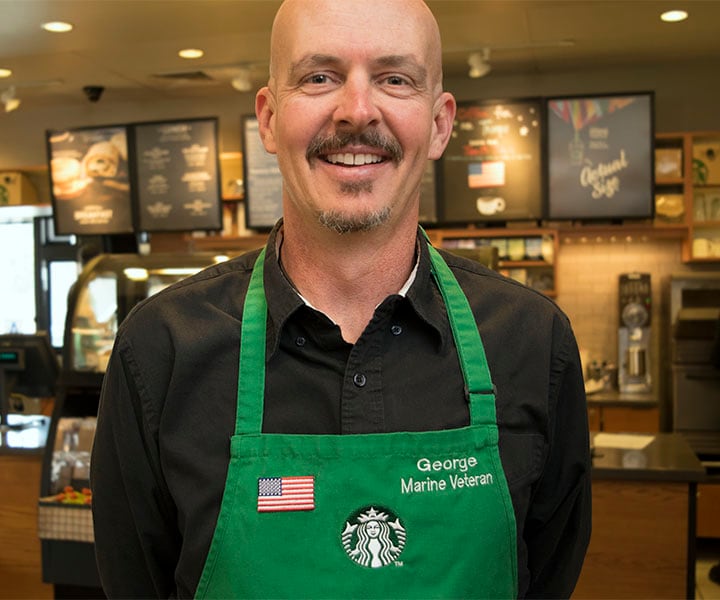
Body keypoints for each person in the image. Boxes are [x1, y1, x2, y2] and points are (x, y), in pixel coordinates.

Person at [90, 0, 591, 597]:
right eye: (319, 77)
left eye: (395, 79)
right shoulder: (159, 351)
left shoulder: (533, 343)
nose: (356, 112)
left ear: (439, 124)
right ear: (270, 120)